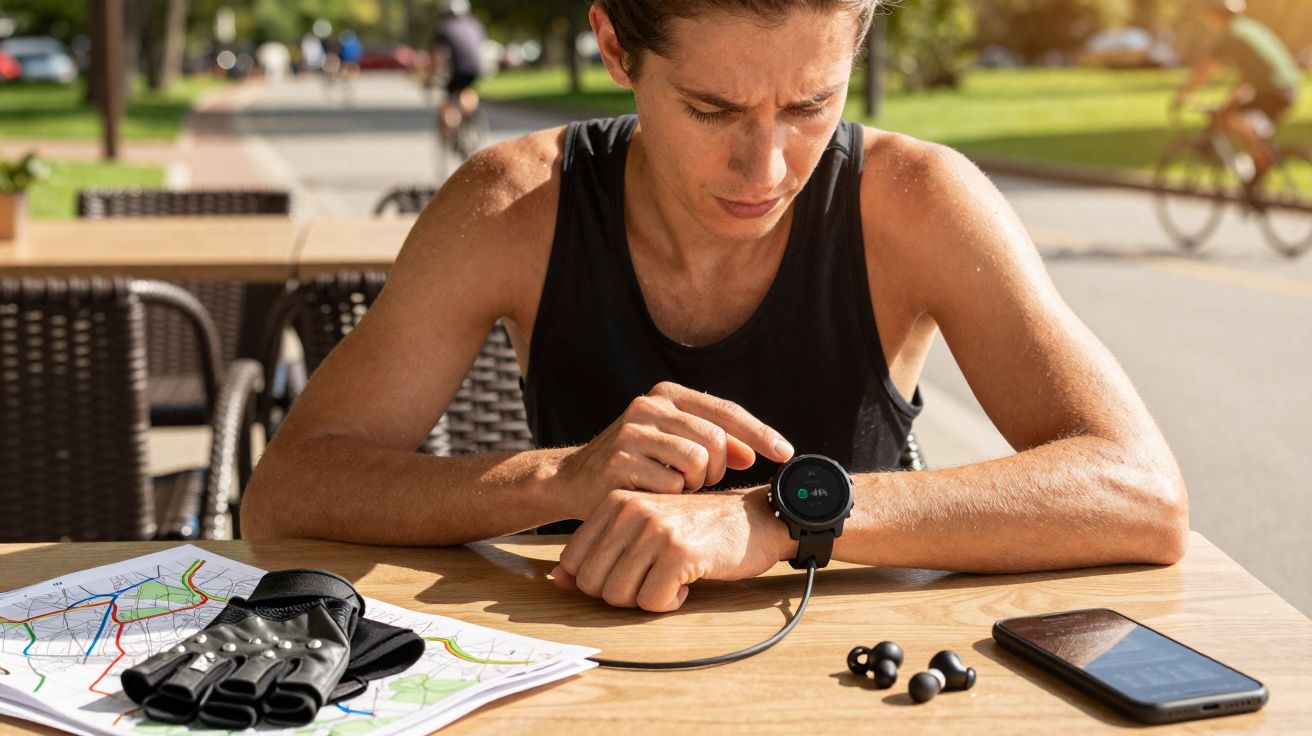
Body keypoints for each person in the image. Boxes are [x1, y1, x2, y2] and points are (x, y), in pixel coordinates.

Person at [244, 0, 1189, 613]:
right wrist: (559, 480)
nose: (767, 168)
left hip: (860, 693)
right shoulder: (511, 206)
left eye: (810, 105)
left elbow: (1140, 489)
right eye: (712, 110)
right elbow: (289, 490)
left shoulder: (920, 202)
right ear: (615, 44)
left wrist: (773, 520)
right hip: (585, 684)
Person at [1175, 0, 1302, 187]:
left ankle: (1262, 159)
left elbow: (1205, 71)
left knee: (1229, 117)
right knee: (1236, 114)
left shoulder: (1231, 34)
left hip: (1273, 90)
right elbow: (1249, 77)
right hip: (1286, 87)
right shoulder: (1248, 28)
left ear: (1216, 16)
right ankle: (1256, 171)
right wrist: (1231, 99)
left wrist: (1182, 94)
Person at [427, 0, 487, 145]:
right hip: (478, 68)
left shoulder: (443, 28)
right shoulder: (475, 25)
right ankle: (470, 115)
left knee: (449, 97)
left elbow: (438, 56)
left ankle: (451, 129)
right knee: (467, 90)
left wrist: (430, 77)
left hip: (459, 69)